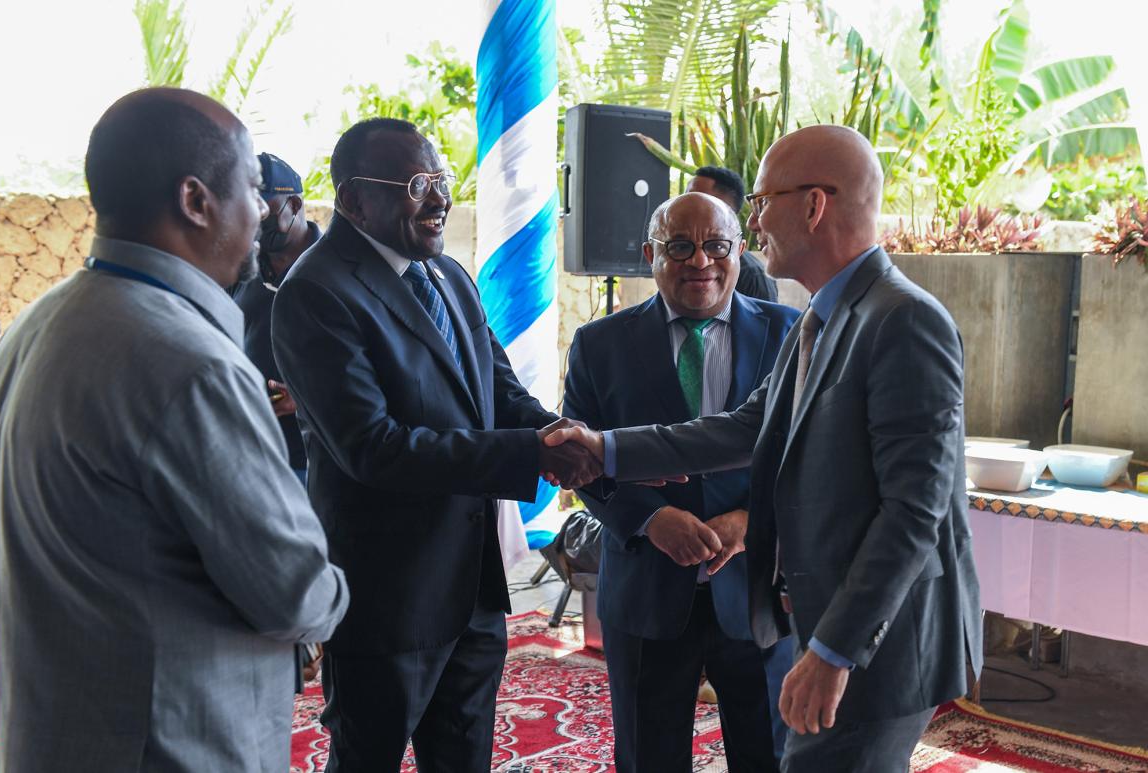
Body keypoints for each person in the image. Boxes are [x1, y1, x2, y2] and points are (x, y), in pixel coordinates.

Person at [547, 125, 982, 773]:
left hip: (880, 644)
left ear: (813, 205)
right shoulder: (823, 317)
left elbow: (912, 515)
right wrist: (601, 449)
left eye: (759, 201)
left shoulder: (903, 320)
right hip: (828, 629)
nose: (753, 220)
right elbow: (743, 429)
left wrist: (832, 651)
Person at [0, 88, 350, 772]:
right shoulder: (190, 362)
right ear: (196, 200)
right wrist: (343, 581)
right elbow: (294, 593)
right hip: (170, 747)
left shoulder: (38, 323)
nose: (265, 211)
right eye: (251, 187)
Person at [270, 117, 597, 772]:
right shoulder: (317, 292)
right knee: (367, 759)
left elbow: (499, 393)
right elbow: (376, 447)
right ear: (356, 199)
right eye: (417, 184)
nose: (440, 198)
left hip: (472, 590)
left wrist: (565, 438)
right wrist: (532, 454)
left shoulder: (448, 274)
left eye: (442, 181)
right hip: (389, 597)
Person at [563, 192, 799, 772]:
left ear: (741, 251)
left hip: (755, 592)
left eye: (718, 245)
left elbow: (806, 457)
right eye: (680, 246)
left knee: (770, 755)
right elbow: (582, 464)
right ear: (650, 254)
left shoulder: (792, 334)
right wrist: (650, 518)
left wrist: (751, 521)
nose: (701, 261)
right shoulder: (599, 345)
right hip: (646, 587)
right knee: (648, 756)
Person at [232, 151, 321, 485]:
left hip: (312, 462)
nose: (254, 219)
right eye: (246, 207)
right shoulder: (240, 269)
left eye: (264, 209)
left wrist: (308, 399)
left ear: (295, 206)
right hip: (250, 454)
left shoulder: (338, 272)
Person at [686, 166, 779, 303]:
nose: (682, 205)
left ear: (725, 207)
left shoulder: (752, 276)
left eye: (692, 199)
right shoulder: (679, 261)